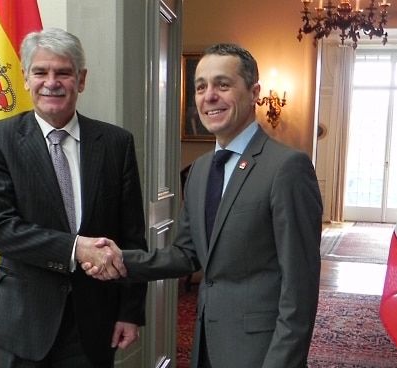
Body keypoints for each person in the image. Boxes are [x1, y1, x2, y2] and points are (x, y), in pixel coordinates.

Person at [85, 43, 323, 368]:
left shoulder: (287, 168)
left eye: (222, 84)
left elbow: (300, 288)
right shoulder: (198, 171)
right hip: (206, 348)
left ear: (254, 92)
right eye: (201, 87)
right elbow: (187, 254)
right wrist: (120, 259)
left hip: (261, 352)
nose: (208, 96)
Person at [0, 27, 145, 368]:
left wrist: (130, 311)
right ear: (25, 79)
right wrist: (75, 248)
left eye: (63, 73)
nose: (51, 82)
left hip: (94, 323)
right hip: (23, 322)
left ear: (80, 80)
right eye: (40, 72)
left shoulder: (116, 144)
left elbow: (131, 236)